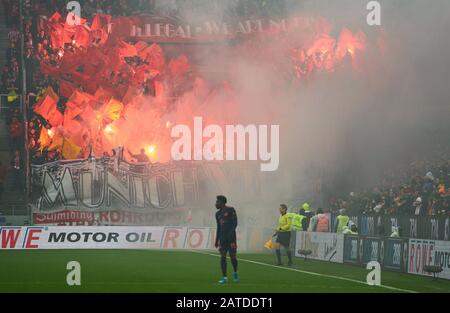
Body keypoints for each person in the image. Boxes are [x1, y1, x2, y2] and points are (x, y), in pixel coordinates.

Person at [215, 195, 239, 284]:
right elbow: (218, 227)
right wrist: (216, 240)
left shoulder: (231, 210)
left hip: (231, 238)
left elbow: (235, 223)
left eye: (217, 202)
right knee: (223, 257)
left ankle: (235, 272)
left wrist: (230, 234)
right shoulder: (217, 214)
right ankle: (224, 277)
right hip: (222, 238)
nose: (215, 204)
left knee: (233, 257)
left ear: (222, 202)